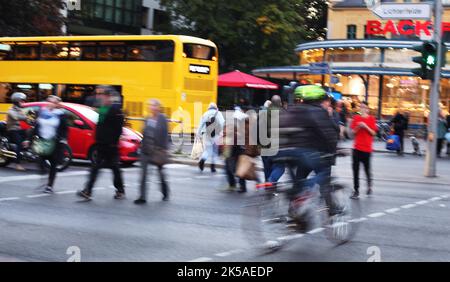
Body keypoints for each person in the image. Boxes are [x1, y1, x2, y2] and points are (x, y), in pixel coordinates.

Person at [276, 85, 339, 213]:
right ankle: (331, 209)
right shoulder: (319, 112)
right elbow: (329, 134)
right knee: (323, 177)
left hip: (288, 151)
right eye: (325, 100)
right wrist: (335, 151)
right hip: (314, 153)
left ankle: (293, 213)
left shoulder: (294, 109)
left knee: (298, 182)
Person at [77, 86, 125, 200]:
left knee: (114, 168)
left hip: (111, 145)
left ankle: (120, 190)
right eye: (98, 95)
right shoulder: (103, 109)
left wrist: (114, 142)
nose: (99, 97)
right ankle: (88, 191)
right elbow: (100, 126)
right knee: (95, 168)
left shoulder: (116, 110)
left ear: (108, 97)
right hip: (101, 144)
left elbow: (118, 129)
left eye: (101, 95)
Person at [135, 99, 170, 204]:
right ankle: (142, 197)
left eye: (154, 106)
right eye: (151, 105)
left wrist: (164, 149)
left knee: (160, 173)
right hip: (146, 150)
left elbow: (165, 135)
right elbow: (144, 133)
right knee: (143, 174)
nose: (152, 107)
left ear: (159, 107)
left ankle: (165, 192)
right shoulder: (147, 118)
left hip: (157, 150)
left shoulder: (163, 118)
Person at [33, 96, 68, 193]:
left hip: (55, 142)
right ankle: (44, 173)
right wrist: (30, 138)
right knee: (40, 159)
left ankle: (49, 185)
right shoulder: (42, 112)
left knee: (53, 164)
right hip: (42, 140)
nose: (50, 103)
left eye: (53, 102)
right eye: (49, 101)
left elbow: (65, 129)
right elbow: (37, 126)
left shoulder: (61, 115)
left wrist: (62, 138)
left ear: (57, 105)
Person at [350, 101, 377, 199]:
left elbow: (373, 133)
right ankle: (356, 190)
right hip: (357, 148)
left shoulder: (371, 119)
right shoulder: (356, 118)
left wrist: (365, 126)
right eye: (361, 107)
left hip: (367, 149)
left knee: (367, 170)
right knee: (355, 170)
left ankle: (369, 185)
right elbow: (352, 133)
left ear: (368, 109)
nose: (362, 109)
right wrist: (358, 126)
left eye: (364, 107)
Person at [196, 103, 225, 173]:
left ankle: (202, 160)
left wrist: (198, 134)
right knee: (215, 150)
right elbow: (222, 123)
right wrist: (222, 133)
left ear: (209, 107)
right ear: (216, 107)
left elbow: (201, 124)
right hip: (216, 134)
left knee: (208, 150)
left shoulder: (205, 114)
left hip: (207, 134)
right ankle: (212, 167)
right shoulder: (218, 113)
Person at [6, 92, 28, 171]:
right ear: (16, 101)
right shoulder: (11, 110)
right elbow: (16, 117)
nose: (23, 102)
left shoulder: (20, 110)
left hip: (18, 130)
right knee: (19, 143)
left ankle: (27, 147)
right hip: (12, 130)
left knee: (30, 131)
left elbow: (26, 118)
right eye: (22, 101)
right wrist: (26, 117)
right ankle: (17, 164)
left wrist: (33, 120)